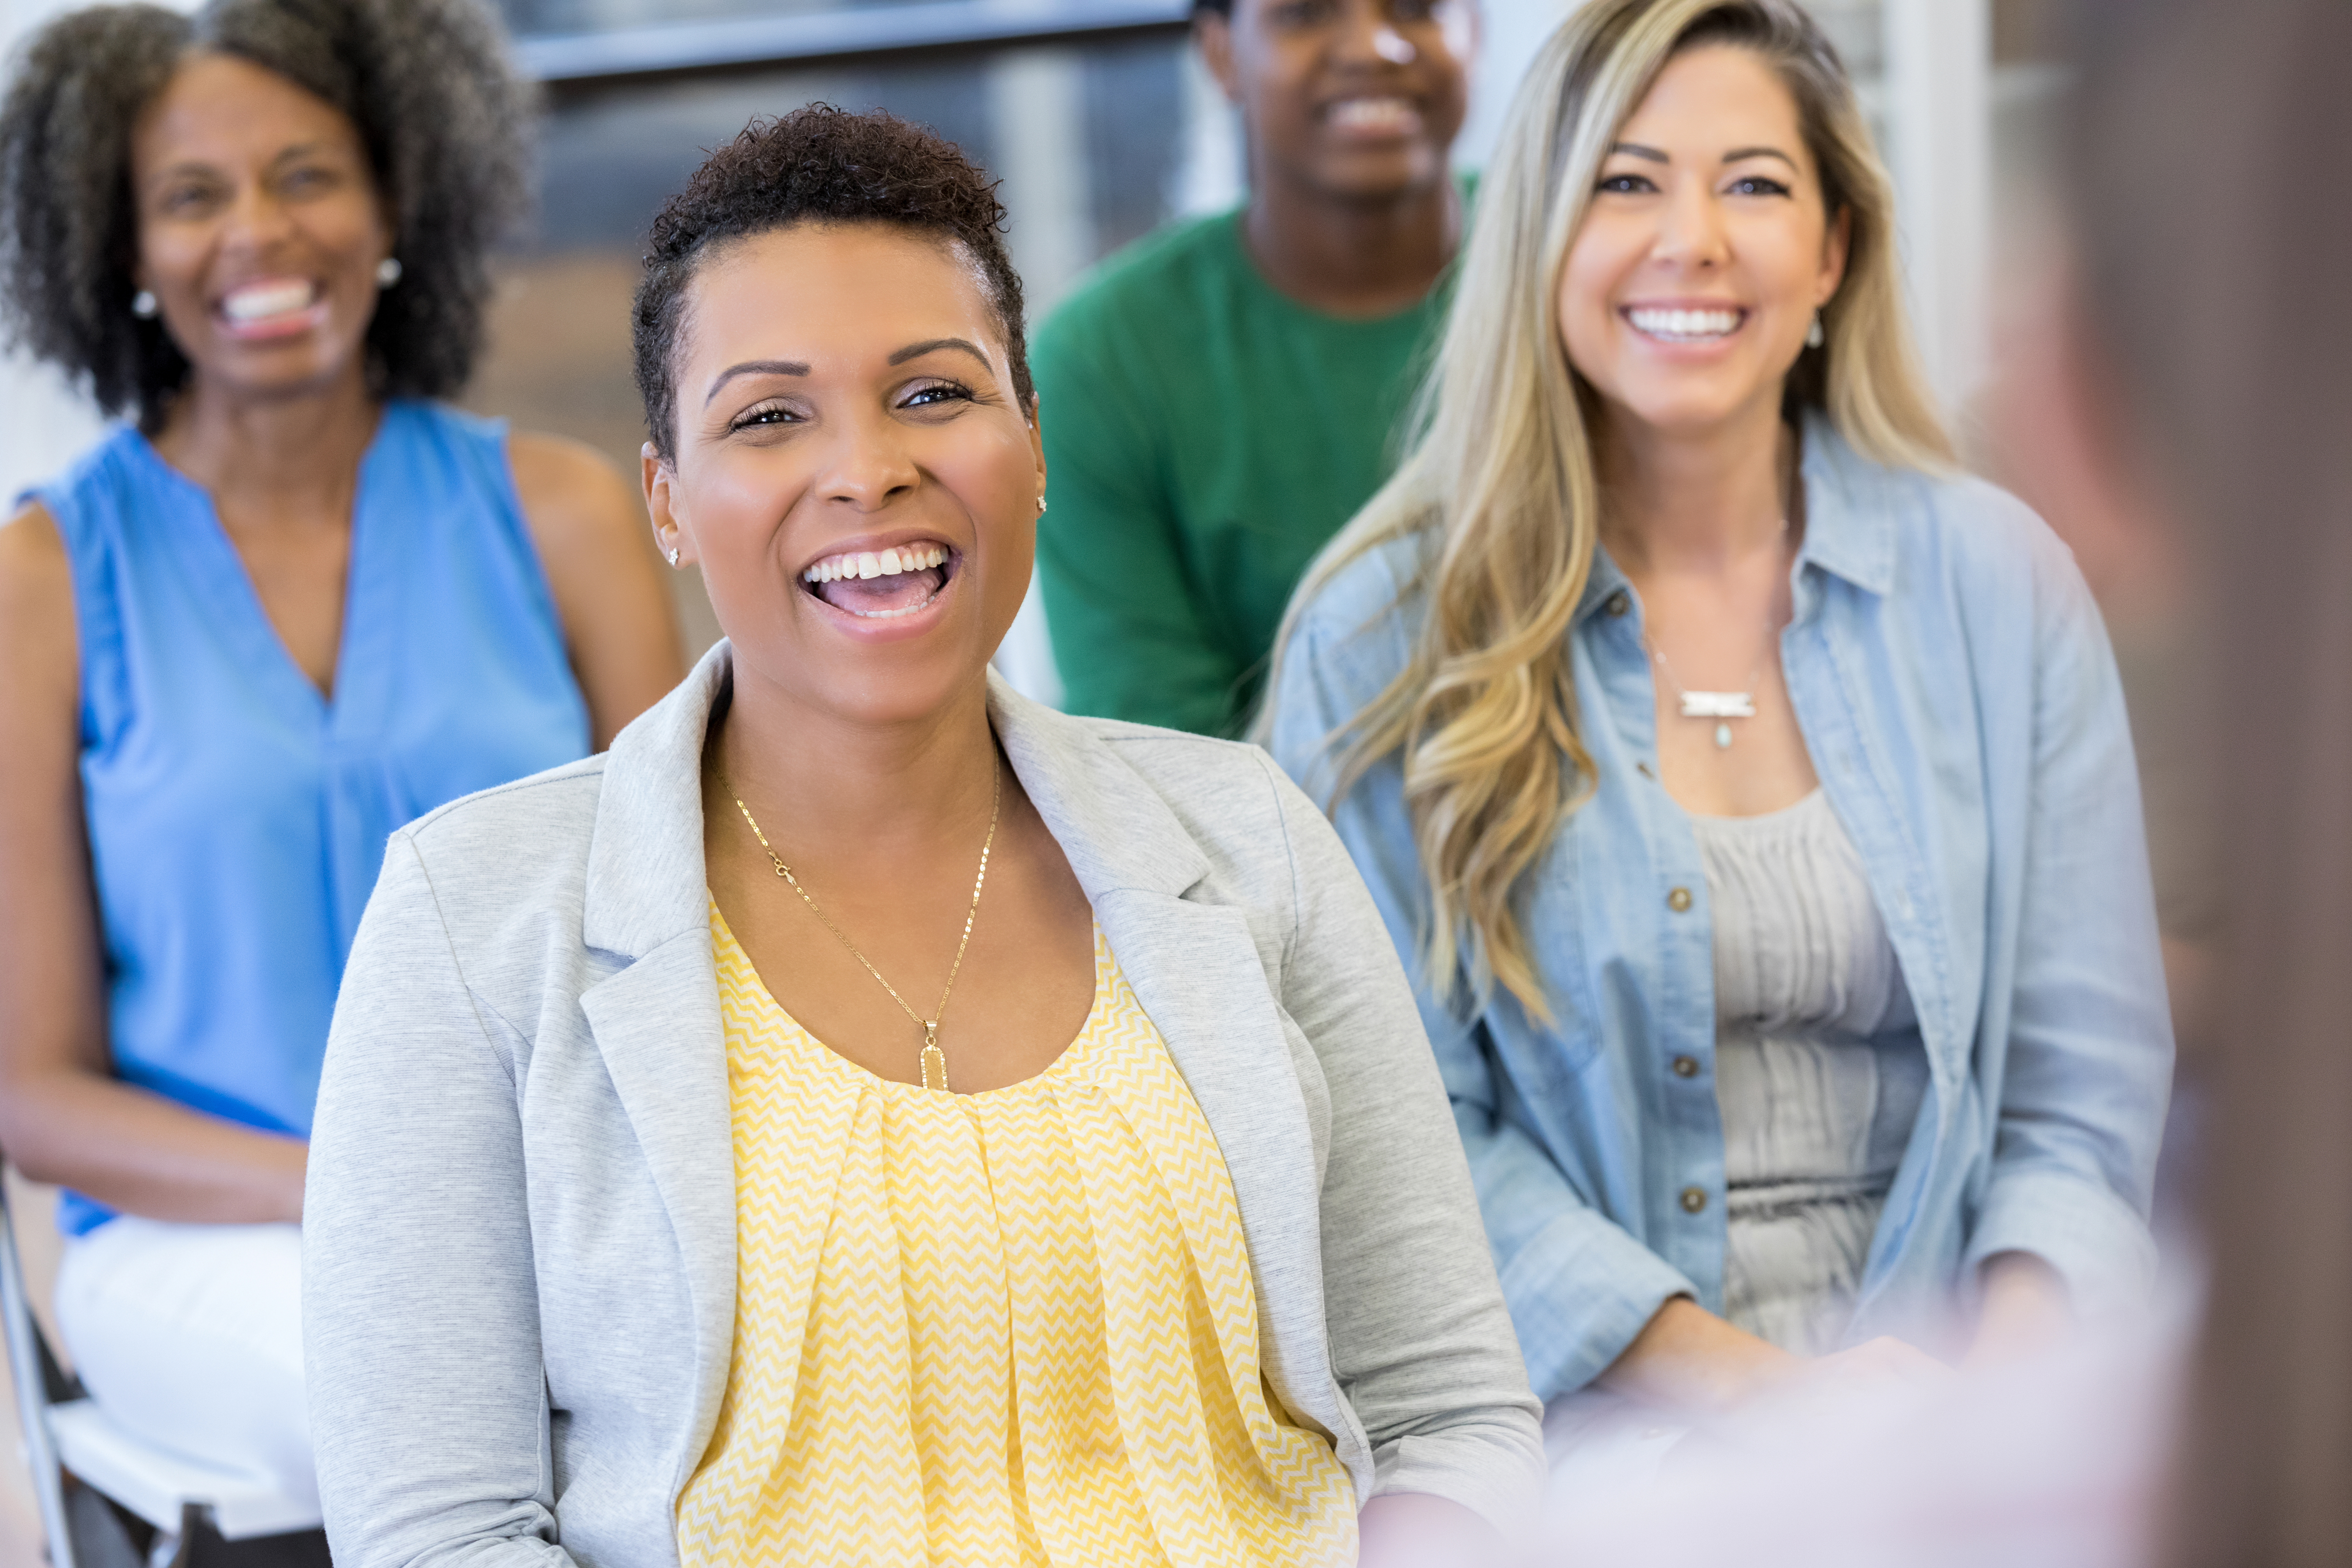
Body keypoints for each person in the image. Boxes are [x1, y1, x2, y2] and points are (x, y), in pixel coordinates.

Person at [300, 106, 1542, 1568]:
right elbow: (438, 1534)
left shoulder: (1248, 839)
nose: (866, 468)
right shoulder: (475, 916)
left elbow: (1448, 1407)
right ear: (668, 501)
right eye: (769, 416)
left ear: (1031, 444)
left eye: (934, 394)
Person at [1264, 0, 2171, 1442]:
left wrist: (1988, 1407)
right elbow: (1393, 1147)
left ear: (1831, 252)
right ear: (1542, 238)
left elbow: (2083, 1098)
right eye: (1627, 182)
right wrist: (1786, 1409)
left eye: (1754, 182)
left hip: (1973, 1414)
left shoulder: (2001, 584)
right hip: (1582, 1447)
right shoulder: (1376, 638)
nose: (1692, 236)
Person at [0, 0, 680, 1521]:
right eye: (190, 195)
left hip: (555, 1196)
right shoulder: (41, 584)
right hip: (206, 1241)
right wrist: (354, 1184)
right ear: (118, 247)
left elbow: (685, 929)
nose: (258, 230)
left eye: (306, 174)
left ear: (393, 202)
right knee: (404, 1388)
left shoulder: (564, 516)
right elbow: (32, 1092)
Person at [1032, 0, 1475, 736]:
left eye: (1417, 7)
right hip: (1271, 845)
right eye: (1305, 13)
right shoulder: (1102, 360)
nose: (1374, 47)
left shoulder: (1596, 272)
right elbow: (1160, 756)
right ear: (1221, 54)